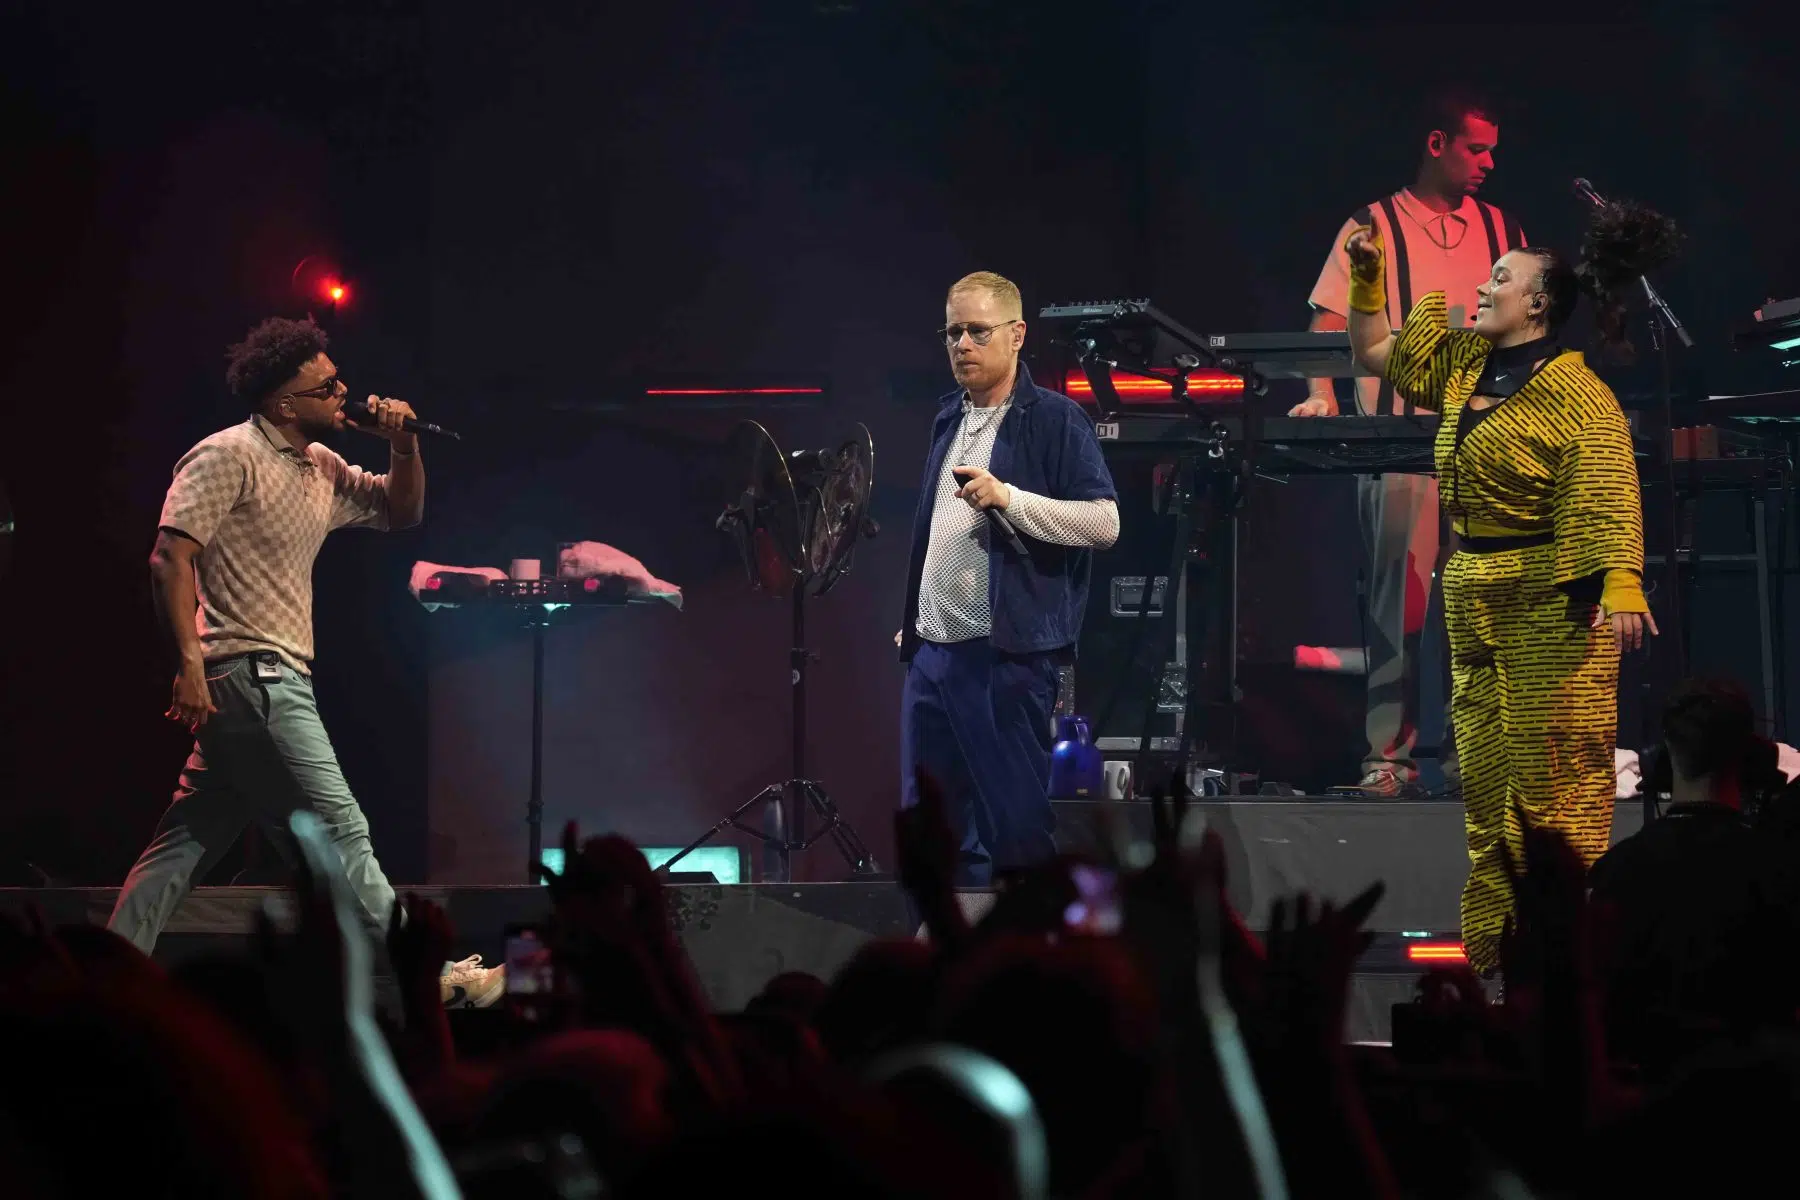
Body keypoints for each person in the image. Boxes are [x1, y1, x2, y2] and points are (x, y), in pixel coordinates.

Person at [106, 316, 503, 1007]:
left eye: (340, 378)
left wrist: (402, 442)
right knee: (343, 828)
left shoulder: (318, 466)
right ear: (285, 403)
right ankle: (432, 978)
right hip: (252, 673)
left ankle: (104, 980)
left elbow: (399, 513)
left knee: (181, 846)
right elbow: (171, 556)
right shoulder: (226, 454)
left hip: (264, 678)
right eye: (327, 386)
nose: (345, 392)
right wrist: (190, 664)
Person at [1340, 199, 1678, 971]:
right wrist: (1369, 280)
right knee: (1490, 787)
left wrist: (1621, 582)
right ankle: (1500, 957)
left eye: (1500, 278)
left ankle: (1562, 954)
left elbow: (1605, 489)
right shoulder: (1464, 364)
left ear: (1537, 304)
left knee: (1550, 781)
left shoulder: (1575, 392)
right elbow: (1375, 353)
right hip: (1477, 586)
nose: (1482, 287)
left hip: (1550, 597)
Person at [1292, 89, 1524, 798]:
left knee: (1480, 604)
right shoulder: (1374, 224)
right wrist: (1324, 394)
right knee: (1402, 604)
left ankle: (1472, 756)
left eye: (1491, 149)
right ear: (1437, 144)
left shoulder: (1499, 228)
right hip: (1399, 444)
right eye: (1475, 148)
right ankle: (1388, 762)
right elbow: (1331, 318)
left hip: (1482, 444)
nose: (1487, 162)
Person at [896, 272, 1119, 887]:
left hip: (1006, 657)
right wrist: (915, 619)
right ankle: (943, 958)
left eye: (977, 331)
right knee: (929, 826)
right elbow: (935, 528)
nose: (962, 344)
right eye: (952, 332)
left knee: (1015, 825)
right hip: (934, 654)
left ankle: (1029, 962)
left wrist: (1010, 499)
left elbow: (1104, 522)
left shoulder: (1054, 419)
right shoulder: (948, 418)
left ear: (1017, 335)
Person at [1588, 678, 1800, 1063]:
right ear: (1751, 757)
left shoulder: (1616, 873)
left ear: (1665, 757)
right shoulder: (1777, 871)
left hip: (1643, 1101)